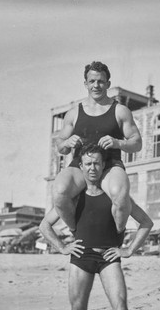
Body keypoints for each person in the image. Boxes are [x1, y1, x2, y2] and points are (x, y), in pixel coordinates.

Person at [40, 144, 153, 310]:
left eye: (97, 163)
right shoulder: (74, 198)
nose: (93, 168)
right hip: (80, 259)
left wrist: (129, 249)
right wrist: (62, 247)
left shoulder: (116, 196)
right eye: (88, 164)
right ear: (80, 167)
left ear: (104, 166)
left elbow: (146, 222)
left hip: (109, 259)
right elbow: (44, 226)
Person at [52, 61, 142, 235]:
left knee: (121, 195)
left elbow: (137, 143)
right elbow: (60, 147)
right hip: (81, 164)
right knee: (59, 192)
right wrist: (67, 143)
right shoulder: (74, 113)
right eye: (92, 81)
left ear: (108, 84)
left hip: (110, 164)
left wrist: (118, 143)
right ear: (85, 84)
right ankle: (75, 230)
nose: (96, 85)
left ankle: (116, 235)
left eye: (100, 81)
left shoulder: (120, 111)